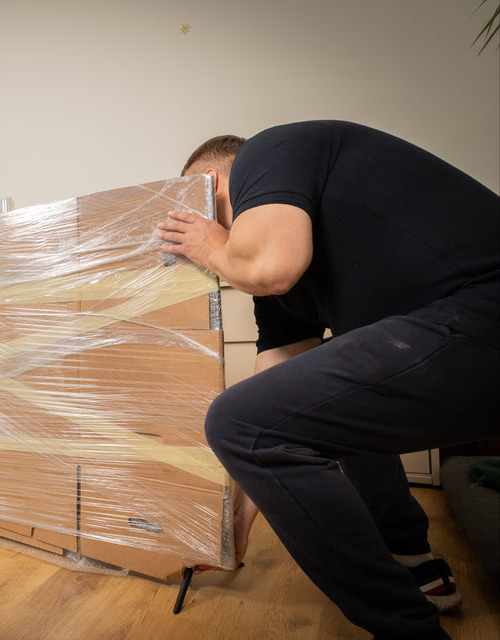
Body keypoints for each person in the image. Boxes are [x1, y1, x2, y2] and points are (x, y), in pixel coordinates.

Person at [157, 120, 499, 640]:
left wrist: (209, 247)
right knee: (311, 400)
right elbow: (272, 402)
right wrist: (239, 522)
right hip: (457, 343)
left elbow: (272, 265)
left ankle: (408, 629)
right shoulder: (281, 291)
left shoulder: (269, 150)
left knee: (243, 415)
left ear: (210, 182)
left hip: (484, 310)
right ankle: (415, 563)